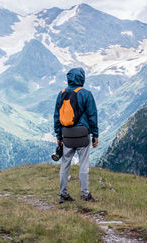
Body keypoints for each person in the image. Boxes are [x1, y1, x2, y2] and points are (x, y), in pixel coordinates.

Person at [53, 68, 98, 203]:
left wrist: (58, 135)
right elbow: (92, 116)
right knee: (83, 165)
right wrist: (95, 134)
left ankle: (63, 194)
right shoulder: (86, 94)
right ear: (82, 78)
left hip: (67, 135)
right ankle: (85, 194)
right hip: (82, 134)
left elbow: (57, 116)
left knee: (65, 164)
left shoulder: (61, 94)